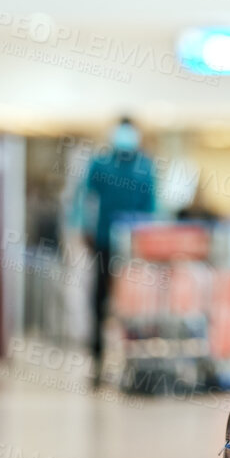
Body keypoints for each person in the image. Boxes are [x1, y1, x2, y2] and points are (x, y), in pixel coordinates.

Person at [81, 117, 156, 385]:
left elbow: (151, 209)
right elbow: (85, 200)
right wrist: (84, 229)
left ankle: (138, 364)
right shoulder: (100, 164)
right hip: (103, 243)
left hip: (134, 248)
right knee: (99, 303)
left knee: (136, 306)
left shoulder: (145, 167)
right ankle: (98, 362)